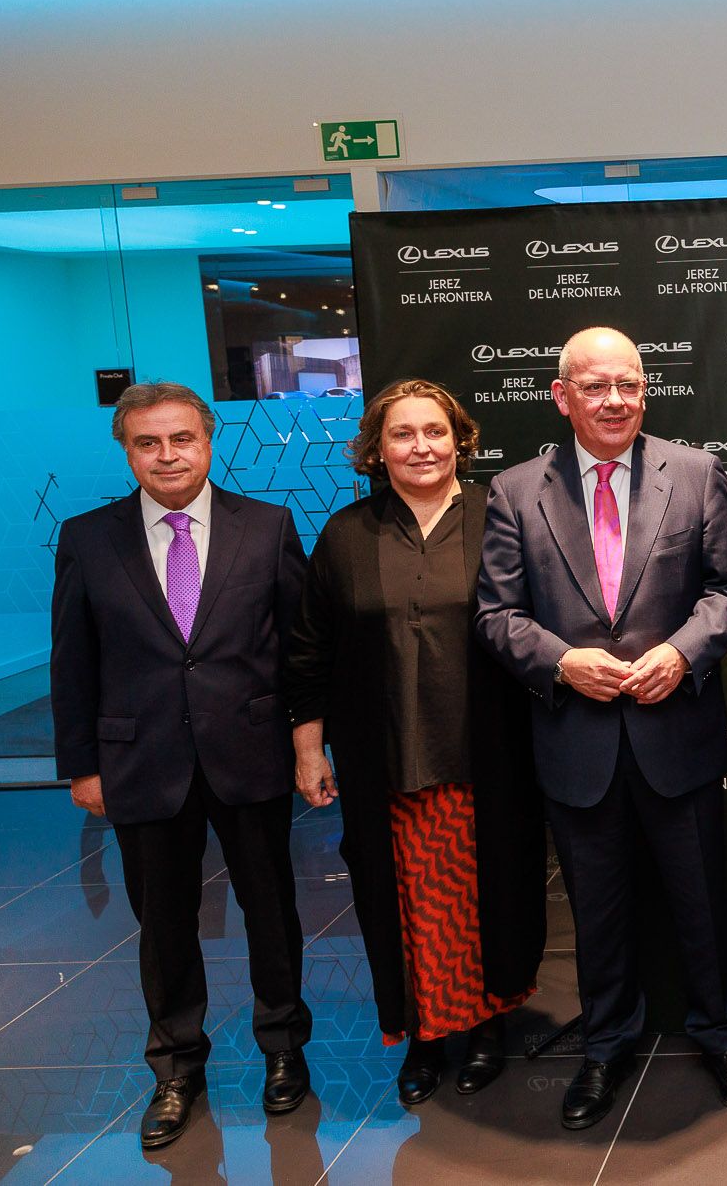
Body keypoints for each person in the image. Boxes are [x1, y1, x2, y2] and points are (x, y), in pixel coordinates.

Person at [475, 327, 727, 1130]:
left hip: (678, 735)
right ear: (561, 396)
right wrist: (562, 661)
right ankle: (604, 1047)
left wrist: (683, 650)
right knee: (597, 914)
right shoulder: (515, 491)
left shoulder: (696, 473)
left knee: (703, 903)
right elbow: (496, 615)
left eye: (629, 385)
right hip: (577, 742)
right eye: (596, 386)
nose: (615, 401)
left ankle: (723, 1036)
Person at [50, 382, 312, 1150]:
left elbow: (299, 647)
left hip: (250, 752)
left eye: (181, 439)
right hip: (140, 759)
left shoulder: (267, 526)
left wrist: (308, 744)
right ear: (126, 449)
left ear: (209, 439)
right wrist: (81, 765)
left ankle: (284, 1048)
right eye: (148, 442)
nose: (167, 455)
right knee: (162, 924)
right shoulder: (88, 538)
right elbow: (73, 660)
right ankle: (176, 1067)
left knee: (272, 911)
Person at [286, 379, 547, 1108]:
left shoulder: (503, 515)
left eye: (435, 431)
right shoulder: (346, 534)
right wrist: (309, 750)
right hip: (386, 763)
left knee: (490, 894)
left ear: (461, 439)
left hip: (490, 757)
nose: (421, 447)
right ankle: (424, 1033)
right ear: (377, 450)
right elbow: (308, 652)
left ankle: (489, 1023)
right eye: (402, 434)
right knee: (407, 906)